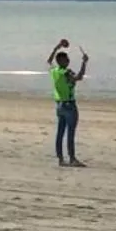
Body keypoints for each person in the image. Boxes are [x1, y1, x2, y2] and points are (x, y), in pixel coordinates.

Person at [47, 38, 88, 167]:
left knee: (60, 133)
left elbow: (49, 61)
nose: (69, 61)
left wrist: (57, 47)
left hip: (59, 105)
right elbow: (79, 77)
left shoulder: (54, 71)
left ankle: (60, 159)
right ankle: (72, 158)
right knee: (70, 133)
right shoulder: (66, 72)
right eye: (67, 59)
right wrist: (84, 63)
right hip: (69, 105)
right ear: (63, 61)